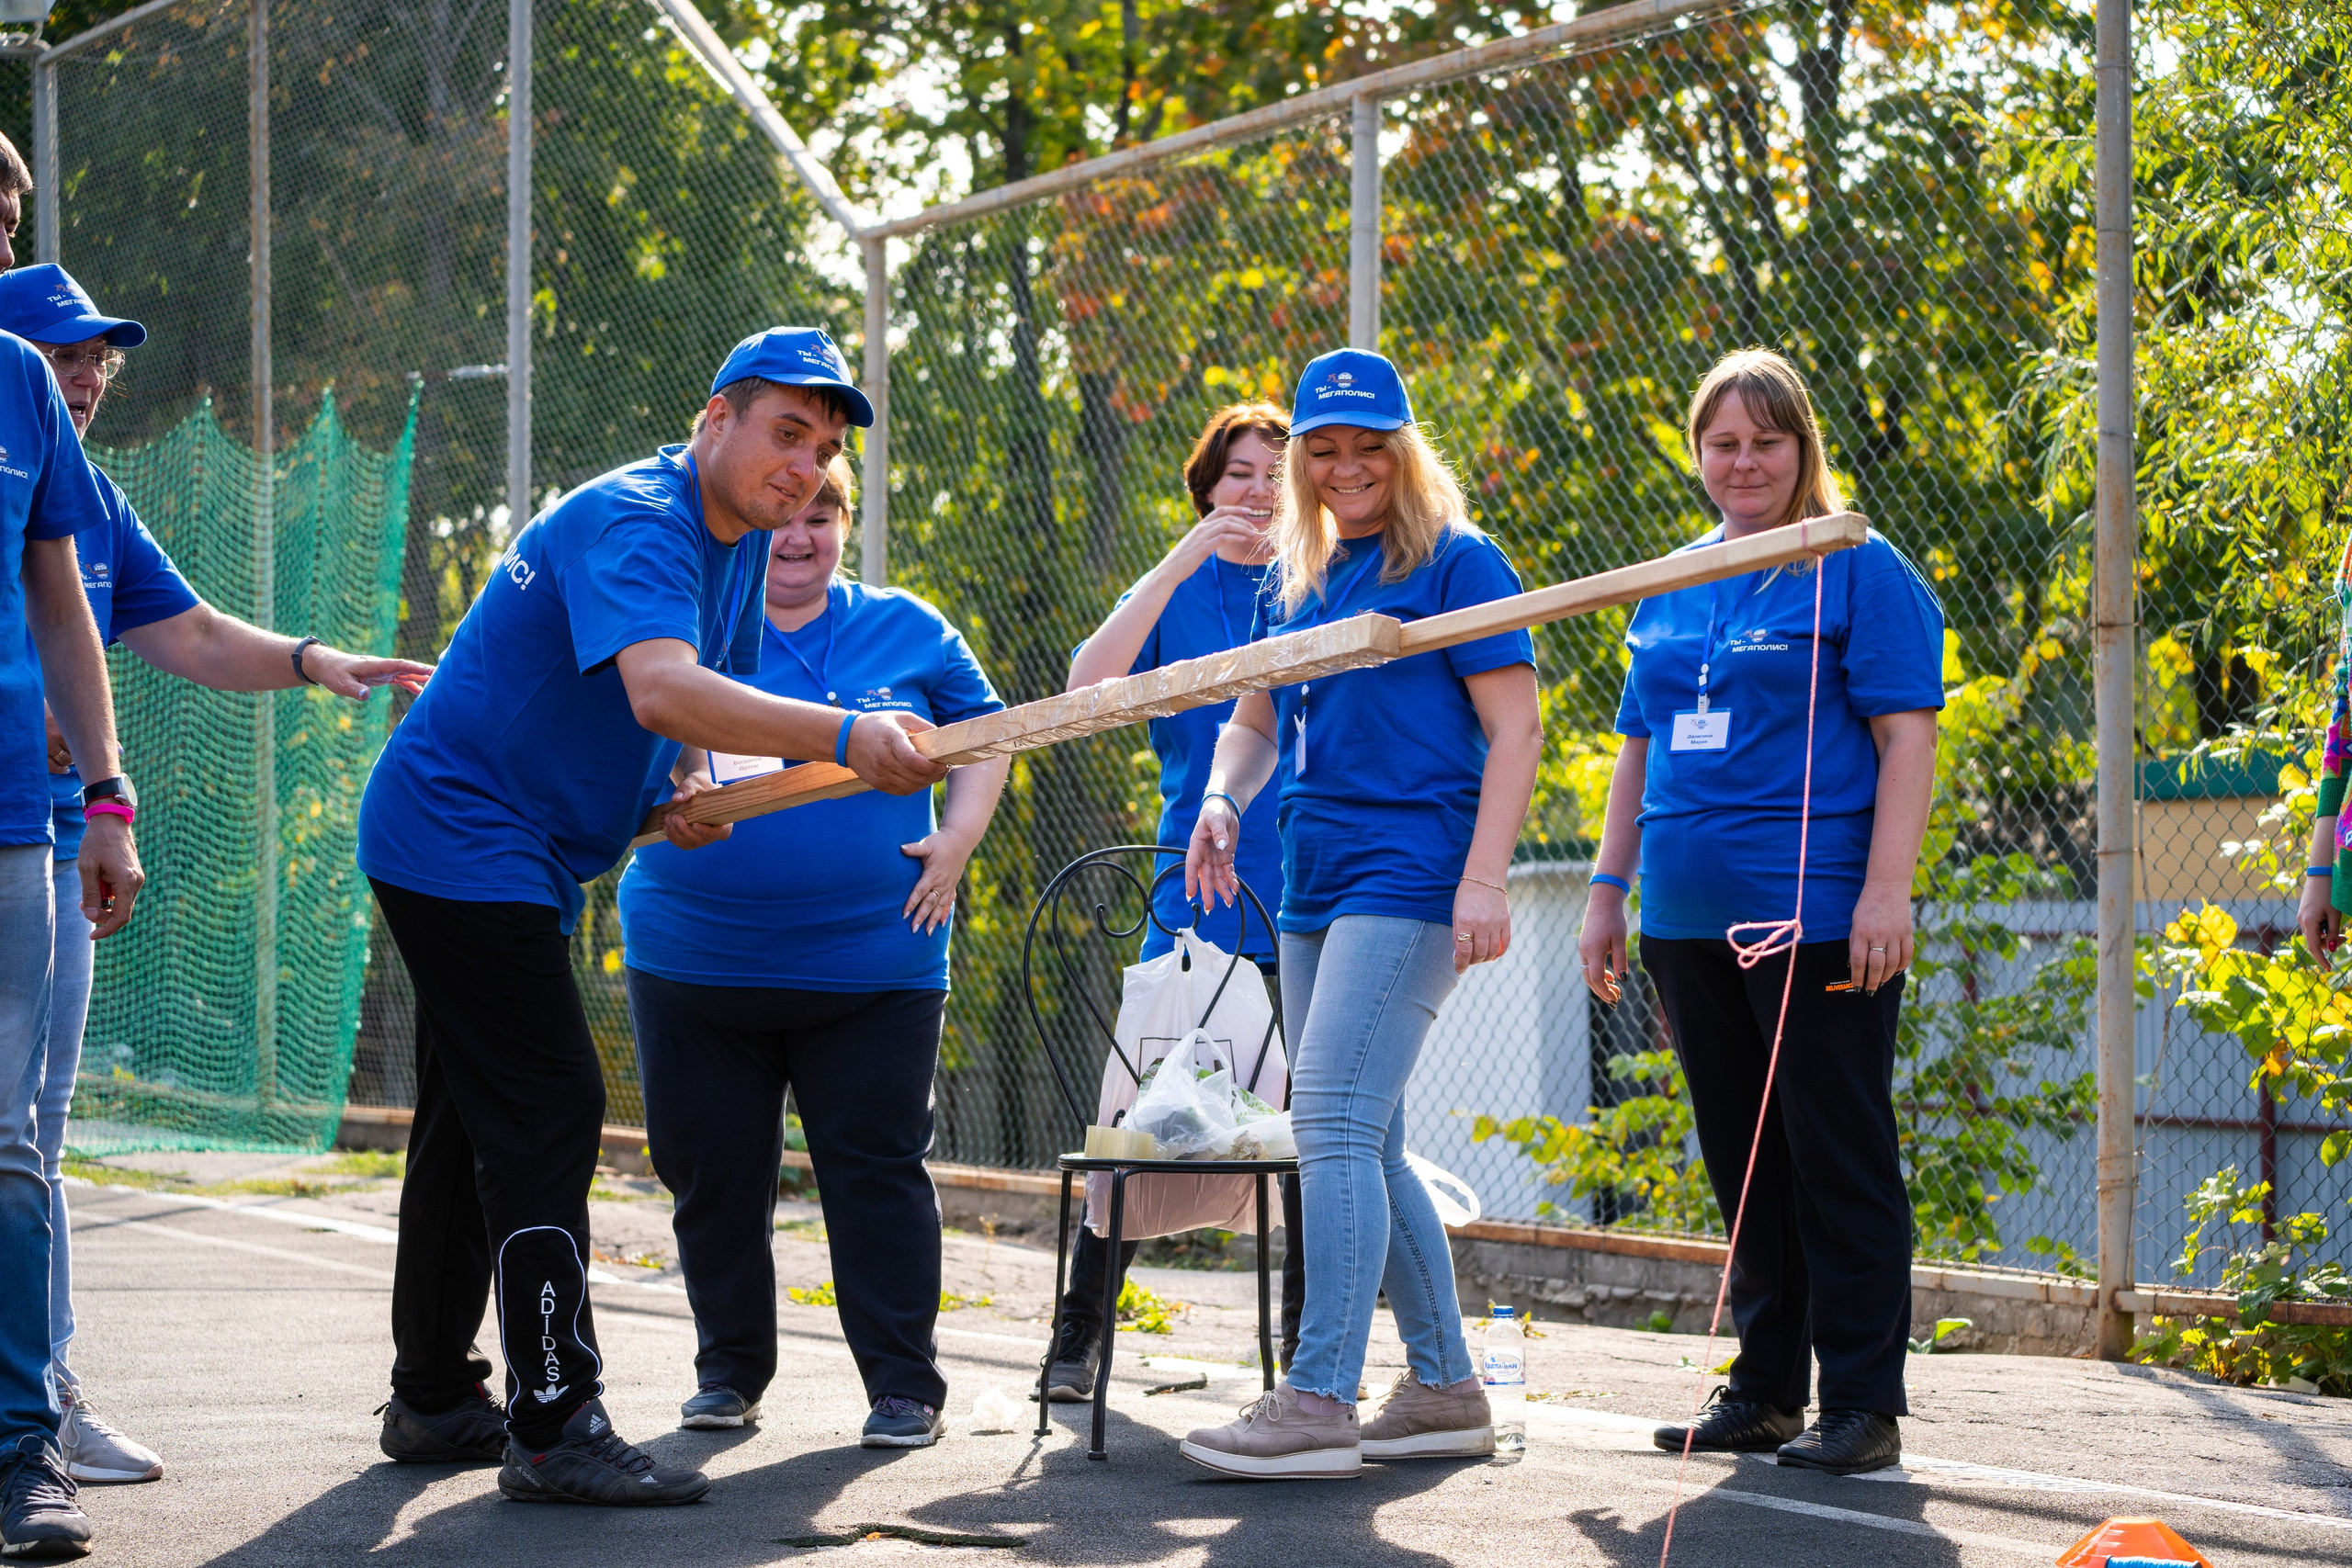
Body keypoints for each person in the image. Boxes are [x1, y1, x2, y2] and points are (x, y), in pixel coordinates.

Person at [356, 327, 948, 1507]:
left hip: (513, 845)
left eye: (824, 450)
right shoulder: (642, 517)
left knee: (467, 1119)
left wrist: (684, 783)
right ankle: (554, 1420)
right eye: (787, 432)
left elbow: (688, 704)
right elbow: (660, 683)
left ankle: (431, 1397)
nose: (805, 468)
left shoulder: (729, 545)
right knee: (548, 1108)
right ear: (716, 416)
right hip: (462, 835)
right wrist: (842, 736)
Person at [0, 263, 435, 1493]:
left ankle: (41, 1397)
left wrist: (310, 657)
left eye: (99, 358)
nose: (85, 374)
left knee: (28, 1131)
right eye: (65, 351)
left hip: (47, 838)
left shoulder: (89, 501)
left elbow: (183, 631)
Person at [1577, 348, 1942, 1477]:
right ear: (1697, 453)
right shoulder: (1672, 578)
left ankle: (1863, 1403)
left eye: (1766, 442)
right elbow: (1637, 745)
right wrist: (1606, 892)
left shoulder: (1856, 564)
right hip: (1684, 915)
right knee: (1743, 1164)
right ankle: (1767, 1387)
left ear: (1803, 449)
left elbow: (1906, 737)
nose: (1744, 463)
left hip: (1814, 914)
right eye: (1723, 443)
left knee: (1835, 1150)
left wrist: (1887, 889)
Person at [1179, 348, 1543, 1479]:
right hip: (1312, 878)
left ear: (1403, 449)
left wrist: (1482, 880)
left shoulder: (1458, 563)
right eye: (1323, 449)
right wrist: (1220, 801)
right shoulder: (1299, 569)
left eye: (1367, 447)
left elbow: (1518, 730)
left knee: (1328, 1121)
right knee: (1368, 1139)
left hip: (1412, 871)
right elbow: (1252, 717)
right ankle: (1444, 1390)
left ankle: (1318, 1396)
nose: (1346, 468)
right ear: (1301, 461)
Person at [616, 457, 1009, 1450]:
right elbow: (636, 718)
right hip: (694, 959)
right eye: (782, 514)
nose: (797, 536)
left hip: (876, 965)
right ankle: (728, 1373)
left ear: (844, 523)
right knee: (712, 1173)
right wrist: (683, 771)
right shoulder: (686, 615)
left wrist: (956, 843)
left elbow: (993, 735)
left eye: (820, 515)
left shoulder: (908, 628)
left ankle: (903, 1388)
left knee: (875, 1174)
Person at [1049, 402, 1304, 1404]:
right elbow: (1085, 685)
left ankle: (1302, 1364)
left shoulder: (1322, 584)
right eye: (1239, 474)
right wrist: (1183, 557)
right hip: (1193, 893)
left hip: (1308, 888)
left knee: (1305, 1144)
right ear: (1205, 489)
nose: (1257, 492)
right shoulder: (1185, 588)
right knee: (1141, 1122)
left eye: (1277, 475)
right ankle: (1077, 1342)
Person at [0, 138, 150, 1562]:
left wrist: (106, 788)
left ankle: (26, 1432)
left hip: (23, 834)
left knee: (15, 1146)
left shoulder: (17, 401)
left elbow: (85, 609)